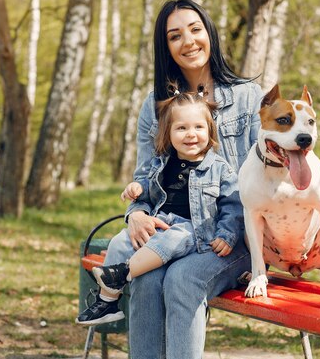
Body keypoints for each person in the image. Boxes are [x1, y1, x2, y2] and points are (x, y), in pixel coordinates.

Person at [82, 0, 262, 359]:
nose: (189, 41)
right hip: (169, 228)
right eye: (175, 35)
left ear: (209, 33)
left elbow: (266, 175)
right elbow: (145, 177)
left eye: (195, 29)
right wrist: (135, 214)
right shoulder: (155, 106)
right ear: (165, 47)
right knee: (146, 276)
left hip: (231, 236)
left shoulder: (247, 97)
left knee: (181, 279)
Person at [76, 87, 243, 326]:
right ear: (169, 132)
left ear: (209, 131)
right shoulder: (161, 163)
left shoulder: (220, 169)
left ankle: (123, 272)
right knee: (120, 241)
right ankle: (108, 301)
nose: (191, 134)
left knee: (173, 237)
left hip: (193, 231)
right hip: (161, 222)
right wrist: (137, 188)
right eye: (181, 128)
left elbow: (233, 206)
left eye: (198, 127)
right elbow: (147, 186)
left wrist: (226, 234)